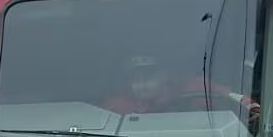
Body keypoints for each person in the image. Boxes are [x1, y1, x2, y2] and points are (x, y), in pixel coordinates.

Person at [103, 54, 259, 125]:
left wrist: (254, 110)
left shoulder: (196, 88)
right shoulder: (119, 105)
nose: (143, 83)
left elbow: (234, 97)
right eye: (136, 78)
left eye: (150, 76)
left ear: (165, 75)